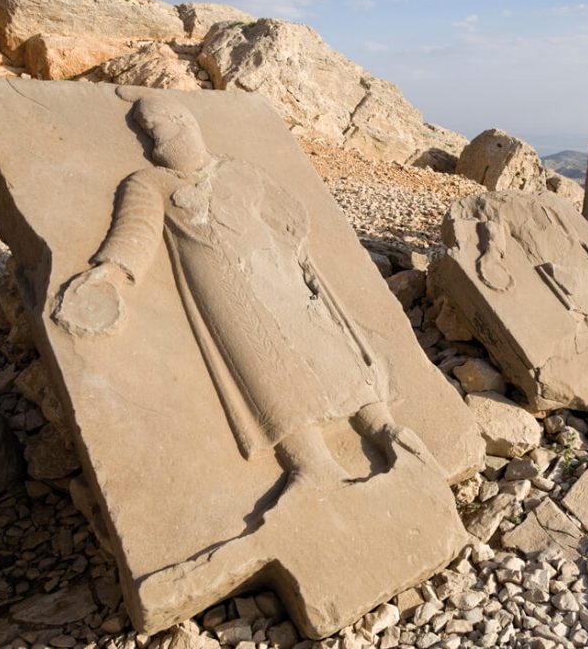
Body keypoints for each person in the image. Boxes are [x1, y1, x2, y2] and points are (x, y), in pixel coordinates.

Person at [54, 94, 411, 492]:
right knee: (261, 365)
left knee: (324, 344)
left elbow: (286, 211)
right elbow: (136, 230)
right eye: (144, 133)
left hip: (273, 269)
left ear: (184, 122)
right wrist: (112, 271)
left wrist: (293, 253)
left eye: (155, 129)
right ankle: (311, 464)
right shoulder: (150, 182)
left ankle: (382, 427)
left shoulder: (238, 170)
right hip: (220, 287)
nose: (149, 143)